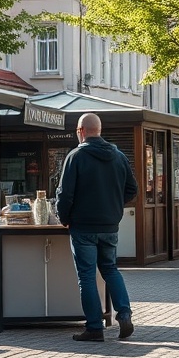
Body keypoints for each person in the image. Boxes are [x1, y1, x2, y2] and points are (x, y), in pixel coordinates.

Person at [55, 112, 138, 342]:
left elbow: (65, 195)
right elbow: (132, 189)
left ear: (81, 131)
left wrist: (64, 218)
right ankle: (124, 313)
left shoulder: (75, 156)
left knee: (87, 277)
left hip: (83, 227)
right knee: (111, 269)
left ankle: (94, 328)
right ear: (99, 130)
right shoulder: (119, 156)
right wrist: (113, 205)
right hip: (110, 225)